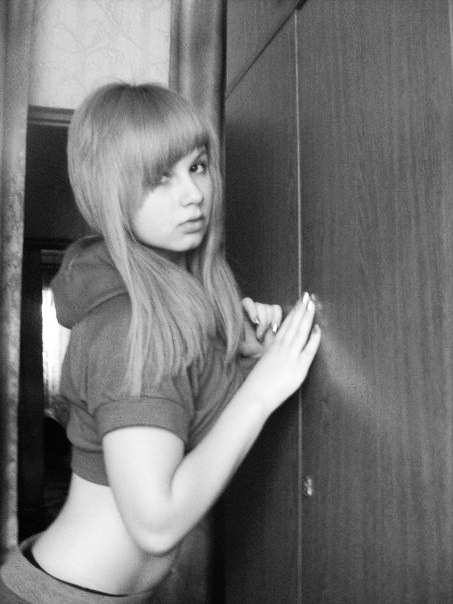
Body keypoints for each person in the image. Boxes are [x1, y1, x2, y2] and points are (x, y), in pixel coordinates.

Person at [0, 82, 321, 603]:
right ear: (109, 192)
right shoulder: (131, 326)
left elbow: (183, 416)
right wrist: (260, 390)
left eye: (197, 166)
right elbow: (156, 524)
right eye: (159, 178)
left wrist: (244, 357)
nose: (193, 194)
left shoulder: (165, 305)